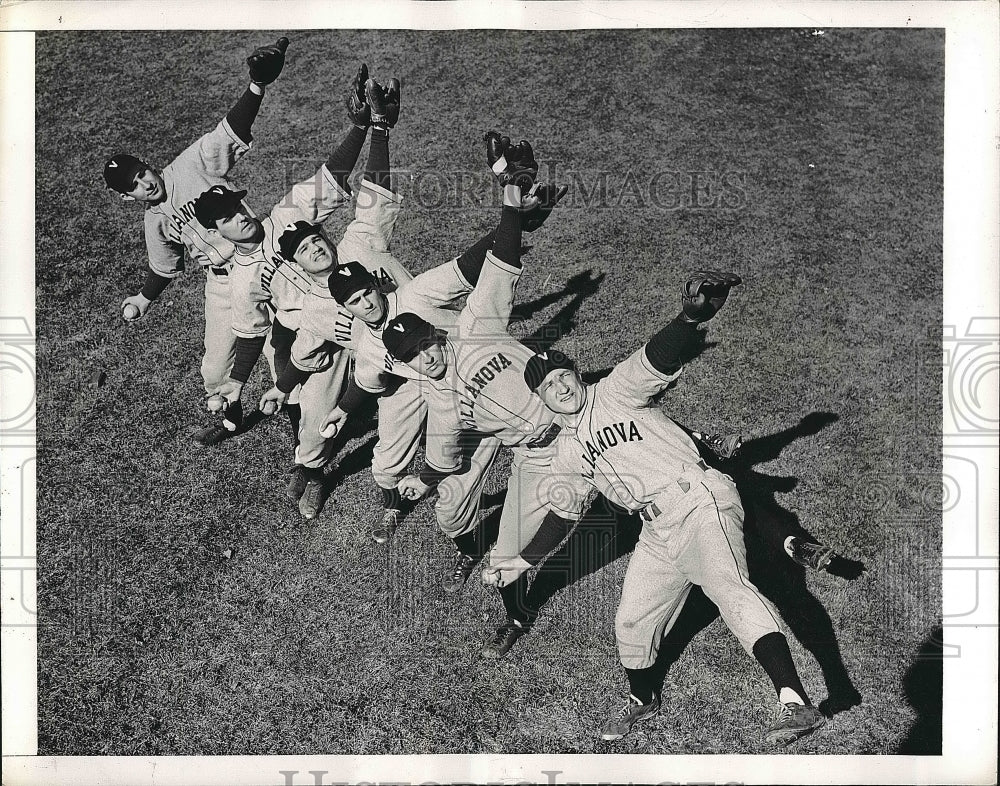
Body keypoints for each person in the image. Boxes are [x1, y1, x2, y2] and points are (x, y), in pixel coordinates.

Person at [484, 272, 827, 746]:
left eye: (565, 375)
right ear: (541, 398)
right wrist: (523, 560)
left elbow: (657, 355)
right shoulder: (565, 450)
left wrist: (691, 318)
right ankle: (643, 700)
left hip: (699, 500)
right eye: (550, 385)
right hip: (657, 531)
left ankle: (795, 701)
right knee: (631, 620)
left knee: (729, 588)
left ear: (578, 374)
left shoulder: (616, 391)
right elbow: (566, 512)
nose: (561, 386)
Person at [313, 136, 562, 588]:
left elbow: (474, 268)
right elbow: (369, 379)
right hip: (433, 393)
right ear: (345, 308)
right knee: (418, 484)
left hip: (472, 363)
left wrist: (516, 219)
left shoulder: (417, 295)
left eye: (367, 290)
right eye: (354, 300)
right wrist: (344, 411)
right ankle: (445, 532)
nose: (365, 302)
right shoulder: (367, 347)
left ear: (376, 283)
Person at [192, 67, 412, 520]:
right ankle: (311, 470)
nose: (241, 216)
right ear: (216, 231)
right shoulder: (240, 278)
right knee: (309, 413)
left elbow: (332, 179)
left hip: (357, 305)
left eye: (239, 206)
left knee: (416, 371)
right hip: (312, 339)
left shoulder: (283, 217)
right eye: (228, 217)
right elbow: (252, 333)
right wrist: (247, 380)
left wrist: (364, 128)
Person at [102, 38, 289, 443]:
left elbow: (232, 128)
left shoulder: (190, 163)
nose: (145, 183)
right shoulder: (154, 221)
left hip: (260, 263)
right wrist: (143, 298)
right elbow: (163, 266)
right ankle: (231, 419)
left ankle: (303, 444)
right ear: (125, 197)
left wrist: (257, 85)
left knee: (281, 354)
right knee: (213, 369)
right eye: (134, 185)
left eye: (143, 172)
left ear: (149, 165)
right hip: (221, 281)